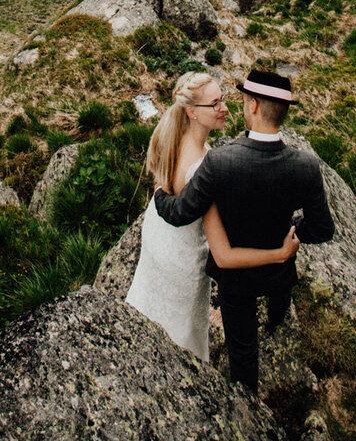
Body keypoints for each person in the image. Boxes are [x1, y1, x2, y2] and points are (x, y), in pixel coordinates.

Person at [154, 67, 335, 393]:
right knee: (279, 300)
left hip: (236, 281)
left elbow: (180, 213)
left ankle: (247, 399)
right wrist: (294, 232)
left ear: (253, 105)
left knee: (243, 349)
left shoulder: (220, 162)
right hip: (279, 270)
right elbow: (322, 228)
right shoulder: (306, 165)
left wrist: (158, 194)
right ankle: (277, 320)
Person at [125, 70, 301, 361]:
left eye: (224, 100)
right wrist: (280, 254)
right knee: (181, 337)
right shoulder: (202, 169)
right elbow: (224, 256)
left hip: (160, 239)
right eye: (215, 104)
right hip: (182, 257)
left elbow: (166, 189)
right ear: (192, 112)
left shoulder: (173, 137)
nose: (225, 109)